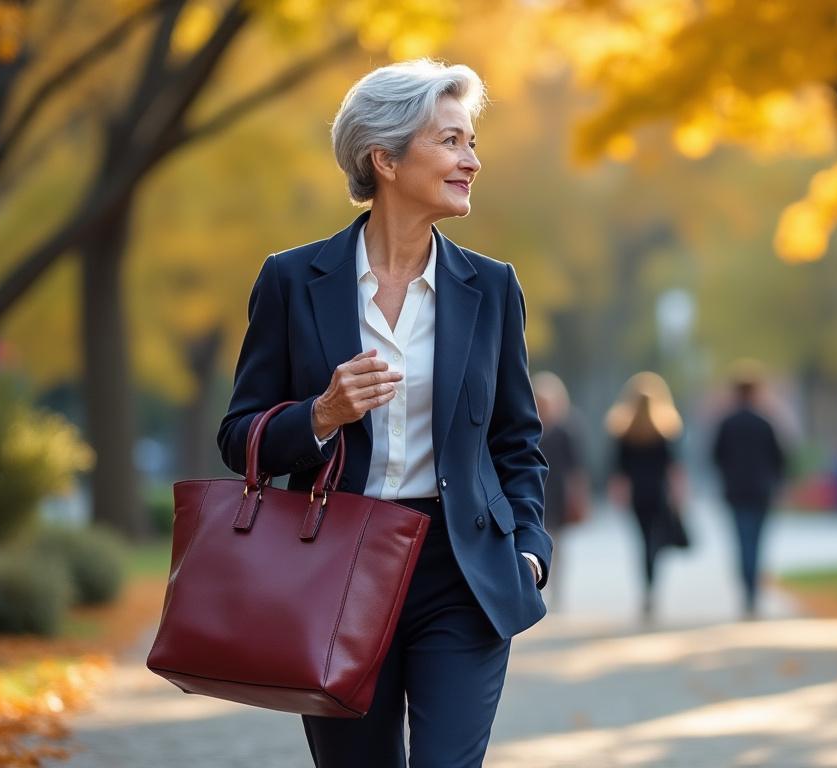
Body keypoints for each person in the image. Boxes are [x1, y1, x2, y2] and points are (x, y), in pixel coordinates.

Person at [216, 59, 551, 768]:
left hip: (463, 570)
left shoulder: (491, 288)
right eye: (453, 142)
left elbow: (517, 439)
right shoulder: (291, 280)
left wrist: (528, 549)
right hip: (334, 568)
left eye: (471, 141)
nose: (473, 161)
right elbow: (238, 434)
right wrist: (322, 414)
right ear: (386, 158)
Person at [605, 372, 686, 621]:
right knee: (654, 540)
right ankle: (652, 585)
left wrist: (618, 493)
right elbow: (673, 467)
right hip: (658, 493)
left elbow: (618, 470)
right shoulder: (665, 431)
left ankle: (646, 587)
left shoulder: (624, 432)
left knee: (642, 540)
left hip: (637, 495)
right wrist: (678, 493)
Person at [710, 364, 787, 619]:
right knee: (757, 540)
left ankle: (747, 589)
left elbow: (715, 457)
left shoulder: (726, 424)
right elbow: (780, 458)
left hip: (735, 490)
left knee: (742, 540)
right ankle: (753, 590)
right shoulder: (765, 423)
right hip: (760, 490)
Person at [532, 371, 589, 611]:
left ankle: (557, 589)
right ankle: (536, 586)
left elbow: (576, 467)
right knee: (536, 538)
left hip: (558, 493)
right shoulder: (529, 427)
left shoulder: (566, 430)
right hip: (535, 492)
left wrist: (579, 494)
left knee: (559, 544)